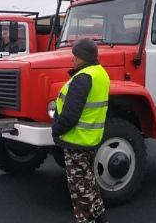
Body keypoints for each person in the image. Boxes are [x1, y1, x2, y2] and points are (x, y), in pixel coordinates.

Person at [51, 38, 110, 223]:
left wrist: (56, 130)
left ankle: (88, 220)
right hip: (90, 138)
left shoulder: (83, 78)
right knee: (89, 182)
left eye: (75, 55)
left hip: (76, 140)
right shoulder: (100, 73)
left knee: (79, 189)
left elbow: (70, 115)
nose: (72, 58)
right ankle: (100, 217)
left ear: (84, 57)